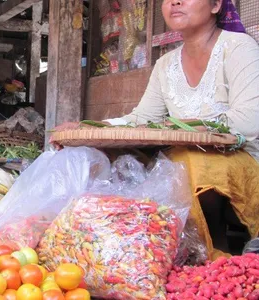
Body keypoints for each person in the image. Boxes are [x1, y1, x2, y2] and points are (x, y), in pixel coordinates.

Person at [100, 0, 259, 258]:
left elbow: (250, 119)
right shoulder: (166, 65)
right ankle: (128, 254)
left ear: (216, 5)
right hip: (184, 163)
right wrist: (95, 129)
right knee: (112, 156)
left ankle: (214, 254)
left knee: (187, 162)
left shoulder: (239, 48)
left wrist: (181, 129)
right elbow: (142, 118)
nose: (174, 2)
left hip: (242, 164)